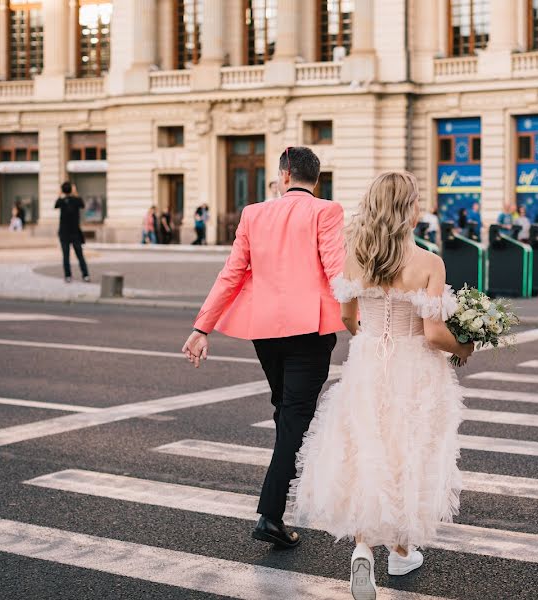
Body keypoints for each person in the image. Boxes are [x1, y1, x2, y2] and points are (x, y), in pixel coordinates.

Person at [291, 171, 470, 598]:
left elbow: (348, 318)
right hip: (415, 365)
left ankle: (363, 550)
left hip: (368, 360)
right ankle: (402, 551)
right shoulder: (428, 262)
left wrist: (369, 335)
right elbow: (432, 333)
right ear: (409, 209)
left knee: (366, 449)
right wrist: (464, 347)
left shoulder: (356, 258)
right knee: (407, 451)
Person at [181, 146, 345, 552]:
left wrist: (203, 327)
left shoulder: (254, 213)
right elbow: (338, 271)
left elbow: (232, 273)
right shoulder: (326, 211)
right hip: (310, 329)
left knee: (285, 410)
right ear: (315, 180)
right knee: (294, 418)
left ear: (284, 175)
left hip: (266, 331)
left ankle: (279, 493)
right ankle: (270, 514)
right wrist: (366, 319)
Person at [54, 182, 89, 283]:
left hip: (64, 233)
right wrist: (76, 193)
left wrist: (59, 194)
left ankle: (68, 276)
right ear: (72, 190)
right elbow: (82, 204)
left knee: (66, 256)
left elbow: (55, 205)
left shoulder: (61, 201)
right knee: (80, 256)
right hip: (75, 233)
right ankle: (85, 275)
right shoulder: (76, 201)